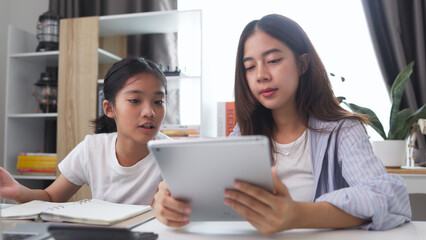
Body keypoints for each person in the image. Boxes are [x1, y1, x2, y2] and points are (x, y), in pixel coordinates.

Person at [153, 14, 411, 235]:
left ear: (302, 64)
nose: (262, 75)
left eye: (273, 60)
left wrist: (297, 215)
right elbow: (212, 194)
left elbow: (390, 197)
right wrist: (171, 200)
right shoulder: (244, 132)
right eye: (250, 67)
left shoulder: (342, 130)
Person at [0, 57, 169, 205]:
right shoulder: (92, 148)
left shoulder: (173, 154)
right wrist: (17, 191)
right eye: (135, 100)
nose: (149, 112)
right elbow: (51, 197)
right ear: (110, 108)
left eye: (158, 102)